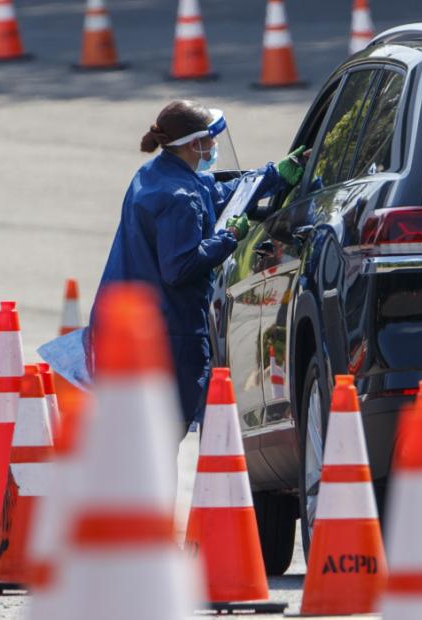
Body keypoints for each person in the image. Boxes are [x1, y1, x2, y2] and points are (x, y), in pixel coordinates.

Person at [88, 100, 307, 436]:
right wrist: (229, 237)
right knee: (161, 441)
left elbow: (216, 192)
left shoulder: (156, 175)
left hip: (127, 329)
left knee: (133, 441)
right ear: (195, 144)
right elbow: (180, 266)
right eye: (211, 140)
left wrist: (273, 176)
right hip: (167, 338)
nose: (215, 147)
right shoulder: (180, 199)